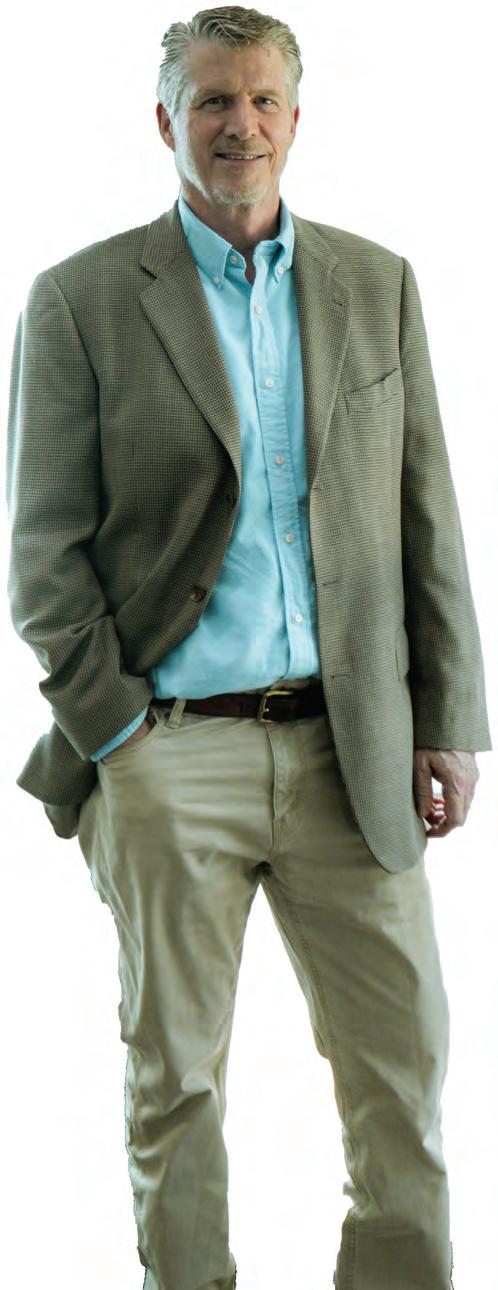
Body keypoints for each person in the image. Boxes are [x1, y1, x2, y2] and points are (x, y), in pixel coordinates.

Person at [5, 6, 491, 1289]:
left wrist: (450, 721)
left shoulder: (376, 284)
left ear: (296, 118)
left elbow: (427, 518)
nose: (241, 125)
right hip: (171, 751)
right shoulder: (81, 301)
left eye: (264, 100)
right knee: (175, 1084)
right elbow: (42, 556)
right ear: (165, 121)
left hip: (354, 750)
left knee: (403, 1071)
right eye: (214, 101)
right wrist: (118, 733)